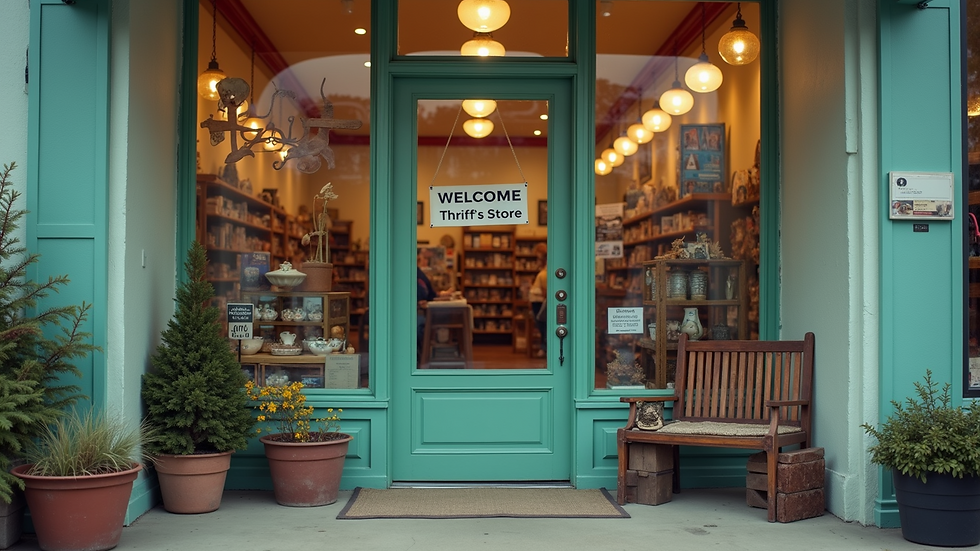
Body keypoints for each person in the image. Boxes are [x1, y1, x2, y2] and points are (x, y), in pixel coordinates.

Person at [528, 243, 548, 358]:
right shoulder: (542, 273)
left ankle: (544, 348)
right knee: (541, 325)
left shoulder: (544, 274)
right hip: (537, 302)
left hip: (540, 303)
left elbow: (545, 291)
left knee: (542, 325)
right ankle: (543, 347)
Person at [417, 266, 437, 358]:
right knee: (421, 325)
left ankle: (422, 357)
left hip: (420, 310)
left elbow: (431, 295)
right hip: (411, 313)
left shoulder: (419, 274)